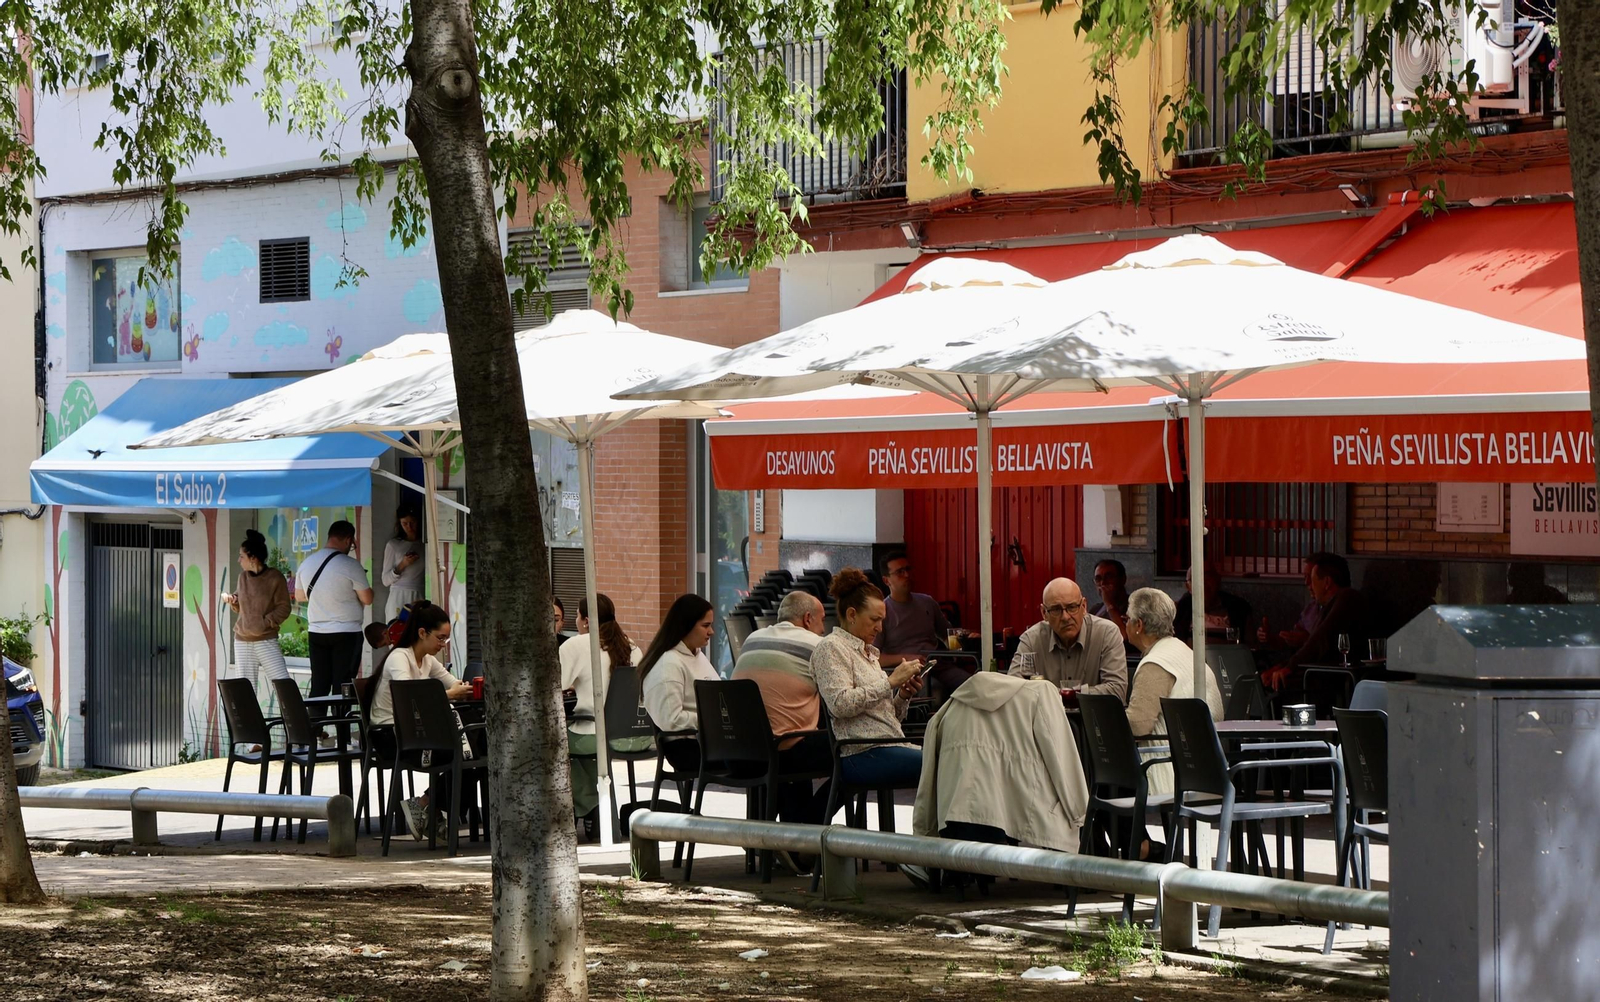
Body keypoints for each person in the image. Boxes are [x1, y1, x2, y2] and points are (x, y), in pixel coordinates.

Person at [912, 672, 1088, 853]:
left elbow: (928, 778)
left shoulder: (953, 704)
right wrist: (1080, 811)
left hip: (955, 813)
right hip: (1013, 807)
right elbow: (1061, 757)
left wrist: (923, 829)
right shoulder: (1043, 693)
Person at [811, 568, 926, 789]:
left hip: (889, 745)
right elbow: (840, 705)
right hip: (861, 752)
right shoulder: (831, 648)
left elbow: (887, 718)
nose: (879, 628)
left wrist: (902, 695)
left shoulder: (868, 653)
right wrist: (890, 682)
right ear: (852, 614)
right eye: (874, 619)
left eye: (882, 620)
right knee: (944, 764)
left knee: (953, 759)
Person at [368, 602, 472, 839]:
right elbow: (409, 696)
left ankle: (428, 806)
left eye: (446, 639)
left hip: (416, 733)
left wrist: (462, 687)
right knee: (461, 756)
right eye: (440, 638)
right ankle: (429, 807)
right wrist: (448, 695)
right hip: (390, 736)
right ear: (422, 633)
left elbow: (451, 682)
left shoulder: (427, 660)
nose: (443, 644)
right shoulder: (399, 657)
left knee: (470, 759)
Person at [732, 590, 831, 836]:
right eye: (822, 620)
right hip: (783, 751)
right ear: (808, 619)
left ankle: (775, 837)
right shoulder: (818, 646)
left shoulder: (752, 638)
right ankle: (803, 831)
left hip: (737, 752)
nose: (823, 629)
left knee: (800, 735)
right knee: (853, 751)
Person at [1124, 588, 1223, 801]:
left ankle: (1136, 836)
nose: (1126, 624)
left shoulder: (1156, 663)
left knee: (1100, 777)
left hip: (1168, 769)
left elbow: (1138, 725)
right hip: (1206, 765)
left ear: (1139, 625)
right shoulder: (1185, 652)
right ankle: (1140, 836)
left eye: (1128, 619)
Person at [559, 593, 643, 841]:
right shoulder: (632, 647)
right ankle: (594, 809)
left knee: (556, 744)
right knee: (583, 752)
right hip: (631, 735)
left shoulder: (576, 645)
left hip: (594, 731)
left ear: (585, 620)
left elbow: (557, 685)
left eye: (576, 615)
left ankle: (585, 807)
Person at [296, 520, 374, 721]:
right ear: (348, 539)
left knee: (319, 684)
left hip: (316, 633)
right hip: (346, 633)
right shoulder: (350, 565)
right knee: (343, 686)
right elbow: (367, 598)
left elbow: (300, 596)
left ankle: (315, 733)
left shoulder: (306, 563)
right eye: (352, 544)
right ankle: (342, 736)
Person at [1008, 578, 1128, 702]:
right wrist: (1076, 694)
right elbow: (1012, 690)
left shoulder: (1106, 634)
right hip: (1046, 720)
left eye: (1072, 607)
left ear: (1083, 606)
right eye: (1056, 610)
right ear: (1044, 613)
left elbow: (1117, 691)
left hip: (1091, 719)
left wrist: (1064, 694)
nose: (1065, 617)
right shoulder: (1031, 639)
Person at [1262, 556, 1372, 692]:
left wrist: (1289, 667)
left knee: (1279, 685)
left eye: (1312, 580)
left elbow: (1320, 638)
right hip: (1320, 671)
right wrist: (1280, 667)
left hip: (1334, 678)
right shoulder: (1324, 607)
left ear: (1327, 582)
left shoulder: (1347, 598)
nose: (1309, 585)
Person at [639, 594, 719, 773]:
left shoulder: (696, 655)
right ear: (686, 626)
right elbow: (671, 720)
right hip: (687, 749)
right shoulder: (668, 664)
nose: (711, 632)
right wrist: (715, 721)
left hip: (709, 741)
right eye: (706, 625)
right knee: (764, 759)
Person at [223, 529, 291, 692]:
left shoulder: (275, 578)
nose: (239, 560)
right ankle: (248, 719)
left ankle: (292, 717)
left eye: (242, 556)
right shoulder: (242, 577)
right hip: (242, 640)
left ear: (253, 558)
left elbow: (284, 607)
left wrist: (265, 623)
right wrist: (234, 600)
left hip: (265, 639)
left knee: (283, 686)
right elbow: (242, 603)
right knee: (245, 692)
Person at [877, 551, 951, 665]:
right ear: (886, 580)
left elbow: (949, 636)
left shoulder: (927, 602)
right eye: (900, 572)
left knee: (972, 681)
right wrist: (906, 658)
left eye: (908, 569)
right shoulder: (881, 611)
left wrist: (968, 639)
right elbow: (873, 657)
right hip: (908, 673)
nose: (907, 575)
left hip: (937, 665)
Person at [1257, 551, 1337, 649]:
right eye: (1305, 577)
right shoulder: (1311, 608)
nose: (1306, 582)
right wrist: (1270, 638)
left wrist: (1307, 640)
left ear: (1327, 582)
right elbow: (1293, 639)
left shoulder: (1343, 608)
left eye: (1312, 578)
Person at [1174, 564, 1252, 644]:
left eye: (1207, 576)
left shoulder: (1238, 608)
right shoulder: (1182, 610)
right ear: (1188, 586)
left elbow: (1250, 644)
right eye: (1196, 577)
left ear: (1218, 580)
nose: (1203, 582)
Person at [381, 505, 425, 622]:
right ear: (399, 524)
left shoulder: (425, 544)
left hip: (419, 593)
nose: (409, 527)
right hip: (398, 595)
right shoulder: (393, 545)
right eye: (405, 523)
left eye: (412, 522)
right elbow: (385, 580)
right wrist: (403, 564)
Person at [1089, 559, 1131, 636]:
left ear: (1122, 579)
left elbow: (1124, 636)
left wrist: (1109, 604)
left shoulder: (1133, 607)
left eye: (1108, 577)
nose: (1103, 583)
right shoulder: (1095, 609)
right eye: (1098, 579)